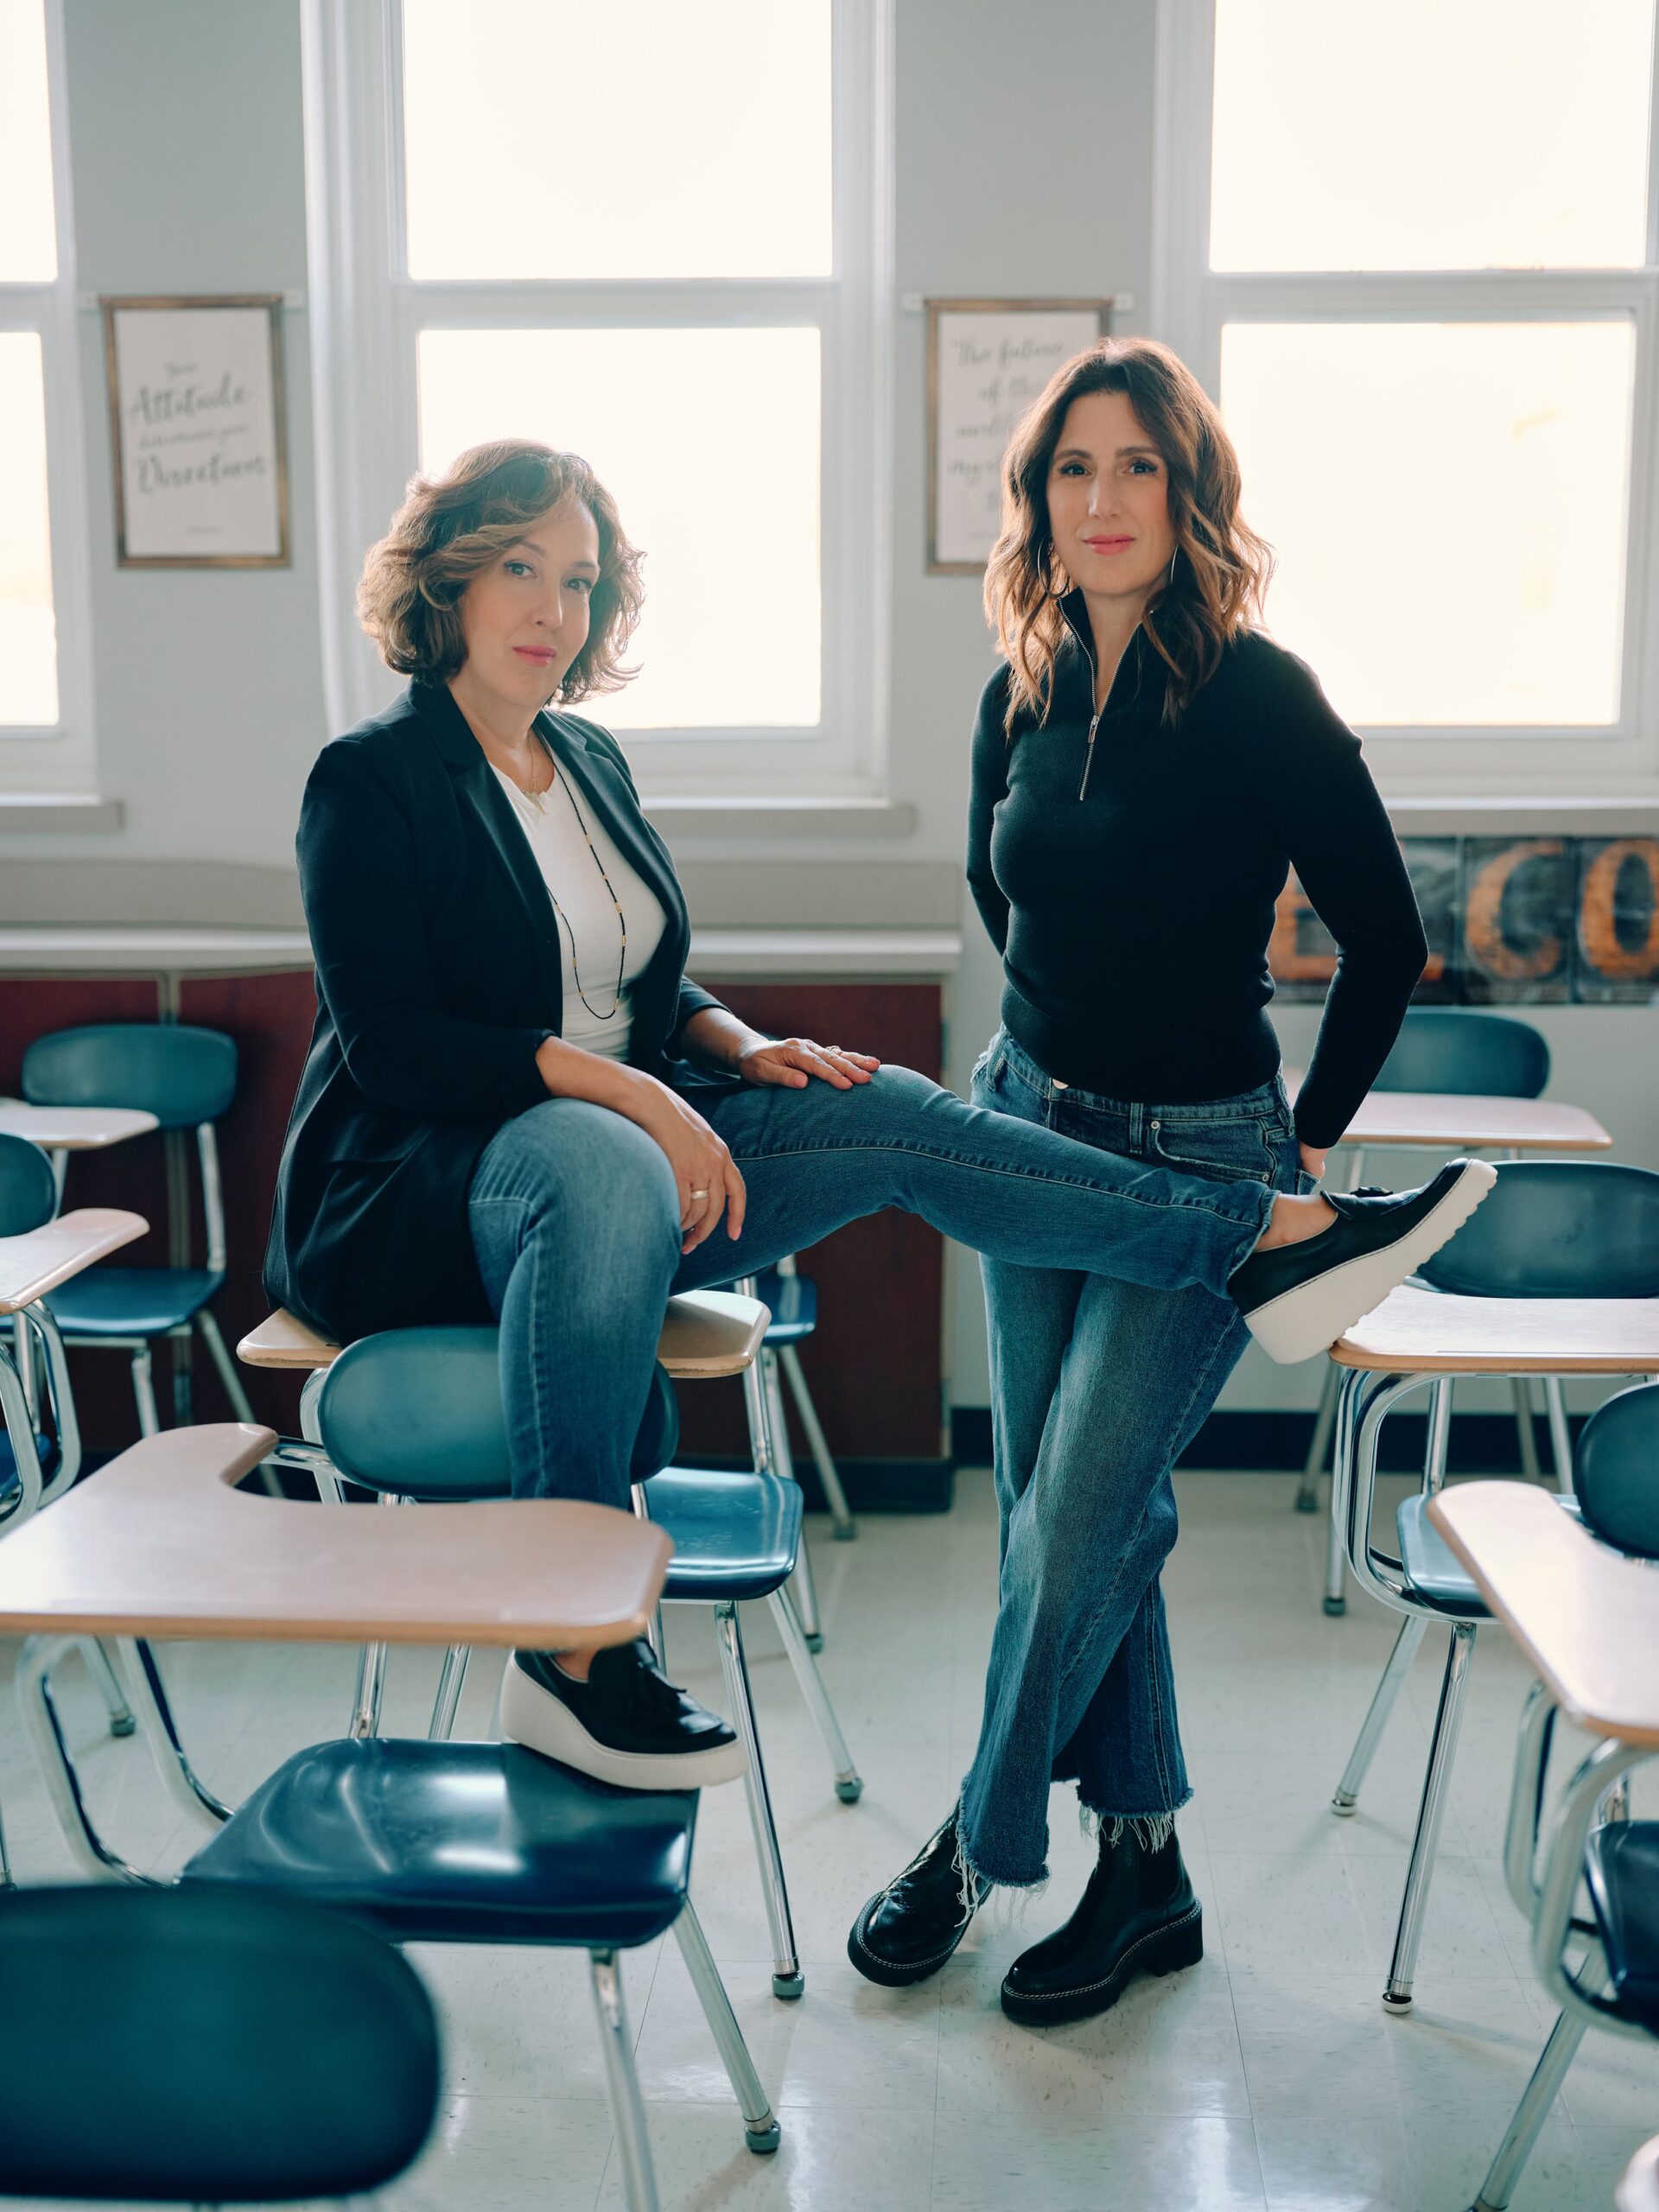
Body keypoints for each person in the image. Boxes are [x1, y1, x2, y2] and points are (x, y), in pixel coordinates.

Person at [264, 437, 1491, 1797]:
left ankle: (1256, 1237)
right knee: (600, 1152)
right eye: (518, 570)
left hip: (637, 1159)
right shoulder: (369, 781)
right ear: (445, 579)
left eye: (581, 580)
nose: (554, 610)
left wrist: (737, 1043)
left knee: (893, 1110)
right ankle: (576, 1651)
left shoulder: (588, 761)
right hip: (434, 1190)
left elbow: (641, 982)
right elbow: (401, 1047)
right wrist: (635, 1092)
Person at [846, 338, 1456, 2024]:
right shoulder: (1019, 690)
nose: (1100, 500)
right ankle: (1147, 1870)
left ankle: (972, 1847)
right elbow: (1002, 883)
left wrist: (1310, 1147)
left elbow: (1388, 938)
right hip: (1030, 1130)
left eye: (1136, 467)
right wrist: (1048, 1044)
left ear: (1191, 494)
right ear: (1037, 499)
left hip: (1204, 1165)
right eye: (1070, 470)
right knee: (1068, 1516)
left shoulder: (1259, 691)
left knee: (1077, 1515)